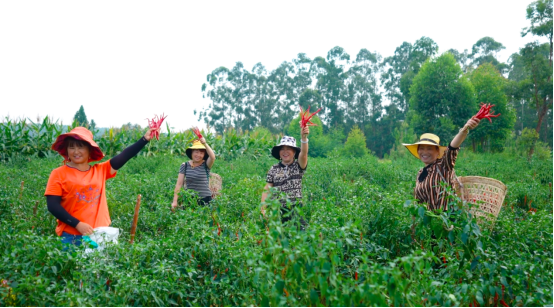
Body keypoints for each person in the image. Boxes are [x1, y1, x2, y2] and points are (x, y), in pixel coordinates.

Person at [44, 126, 159, 246]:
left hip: (100, 234)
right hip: (72, 236)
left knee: (101, 265)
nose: (76, 151)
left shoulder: (100, 170)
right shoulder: (58, 173)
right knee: (71, 265)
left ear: (89, 150)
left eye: (80, 147)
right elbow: (53, 206)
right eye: (71, 147)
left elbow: (125, 156)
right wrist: (77, 224)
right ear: (67, 150)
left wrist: (144, 139)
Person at [403, 117, 481, 211]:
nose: (425, 152)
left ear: (438, 152)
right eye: (422, 148)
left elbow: (452, 148)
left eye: (429, 148)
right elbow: (418, 203)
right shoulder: (420, 173)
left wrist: (464, 129)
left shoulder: (443, 166)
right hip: (429, 223)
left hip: (446, 221)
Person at [261, 124, 310, 228]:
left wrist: (304, 138)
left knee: (301, 236)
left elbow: (304, 154)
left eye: (289, 149)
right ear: (279, 152)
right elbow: (267, 189)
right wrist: (263, 208)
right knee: (280, 238)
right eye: (282, 149)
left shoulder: (298, 166)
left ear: (294, 152)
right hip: (278, 210)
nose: (285, 152)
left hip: (295, 209)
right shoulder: (274, 168)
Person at [171, 136, 216, 209]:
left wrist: (205, 143)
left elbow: (213, 157)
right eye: (196, 152)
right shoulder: (185, 165)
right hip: (189, 200)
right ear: (192, 152)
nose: (198, 155)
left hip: (205, 200)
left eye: (201, 153)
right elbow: (179, 184)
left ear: (204, 154)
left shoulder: (206, 164)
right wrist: (175, 201)